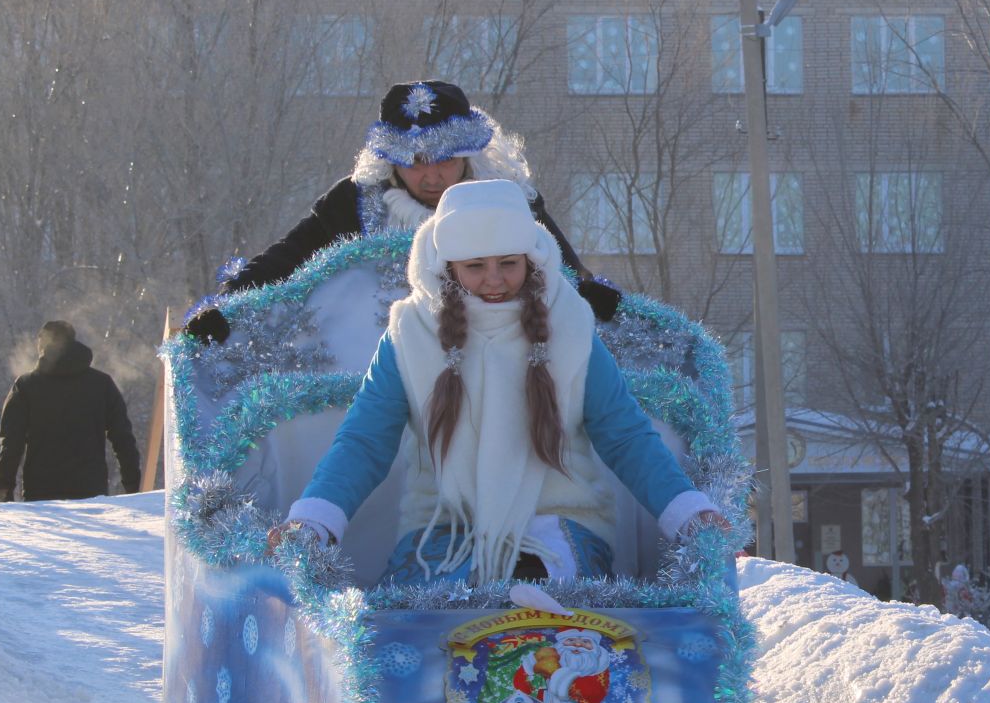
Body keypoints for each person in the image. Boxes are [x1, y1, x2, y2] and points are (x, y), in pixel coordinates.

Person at [273, 178, 722, 587]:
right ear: (448, 266)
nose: (494, 280)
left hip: (560, 518)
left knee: (537, 589)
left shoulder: (570, 323)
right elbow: (364, 441)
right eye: (475, 266)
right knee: (441, 607)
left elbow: (625, 435)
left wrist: (687, 511)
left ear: (531, 258)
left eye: (508, 263)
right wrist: (315, 519)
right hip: (445, 525)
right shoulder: (410, 333)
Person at [186, 80, 619, 343]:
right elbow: (288, 257)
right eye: (414, 163)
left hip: (494, 353)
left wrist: (588, 291)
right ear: (390, 161)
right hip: (380, 357)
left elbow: (558, 262)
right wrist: (228, 305)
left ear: (468, 156)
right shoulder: (355, 201)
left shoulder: (507, 197)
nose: (431, 178)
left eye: (445, 161)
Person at [0, 320, 141, 502]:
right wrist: (133, 486)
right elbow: (123, 438)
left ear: (43, 343)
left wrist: (4, 490)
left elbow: (11, 443)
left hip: (40, 492)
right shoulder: (102, 385)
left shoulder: (27, 386)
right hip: (91, 491)